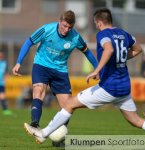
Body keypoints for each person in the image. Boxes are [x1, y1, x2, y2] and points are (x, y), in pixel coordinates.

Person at [23, 8, 145, 144]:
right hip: (124, 87)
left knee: (69, 104)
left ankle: (43, 133)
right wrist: (120, 58)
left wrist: (97, 70)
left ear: (100, 22)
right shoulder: (124, 34)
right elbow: (138, 49)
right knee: (136, 121)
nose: (96, 26)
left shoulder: (103, 34)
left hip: (109, 87)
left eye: (96, 23)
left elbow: (109, 49)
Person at [12, 10, 97, 145]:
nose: (66, 30)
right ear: (59, 22)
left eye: (69, 27)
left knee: (68, 106)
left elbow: (87, 52)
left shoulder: (75, 37)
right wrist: (18, 62)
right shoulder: (47, 29)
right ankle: (35, 125)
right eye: (64, 26)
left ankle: (57, 140)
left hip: (60, 71)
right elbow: (29, 42)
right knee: (39, 91)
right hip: (41, 65)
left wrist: (97, 69)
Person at [0, 51, 12, 115]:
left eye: (1, 55)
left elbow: (6, 72)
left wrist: (7, 76)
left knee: (2, 96)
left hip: (1, 83)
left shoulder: (4, 63)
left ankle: (5, 110)